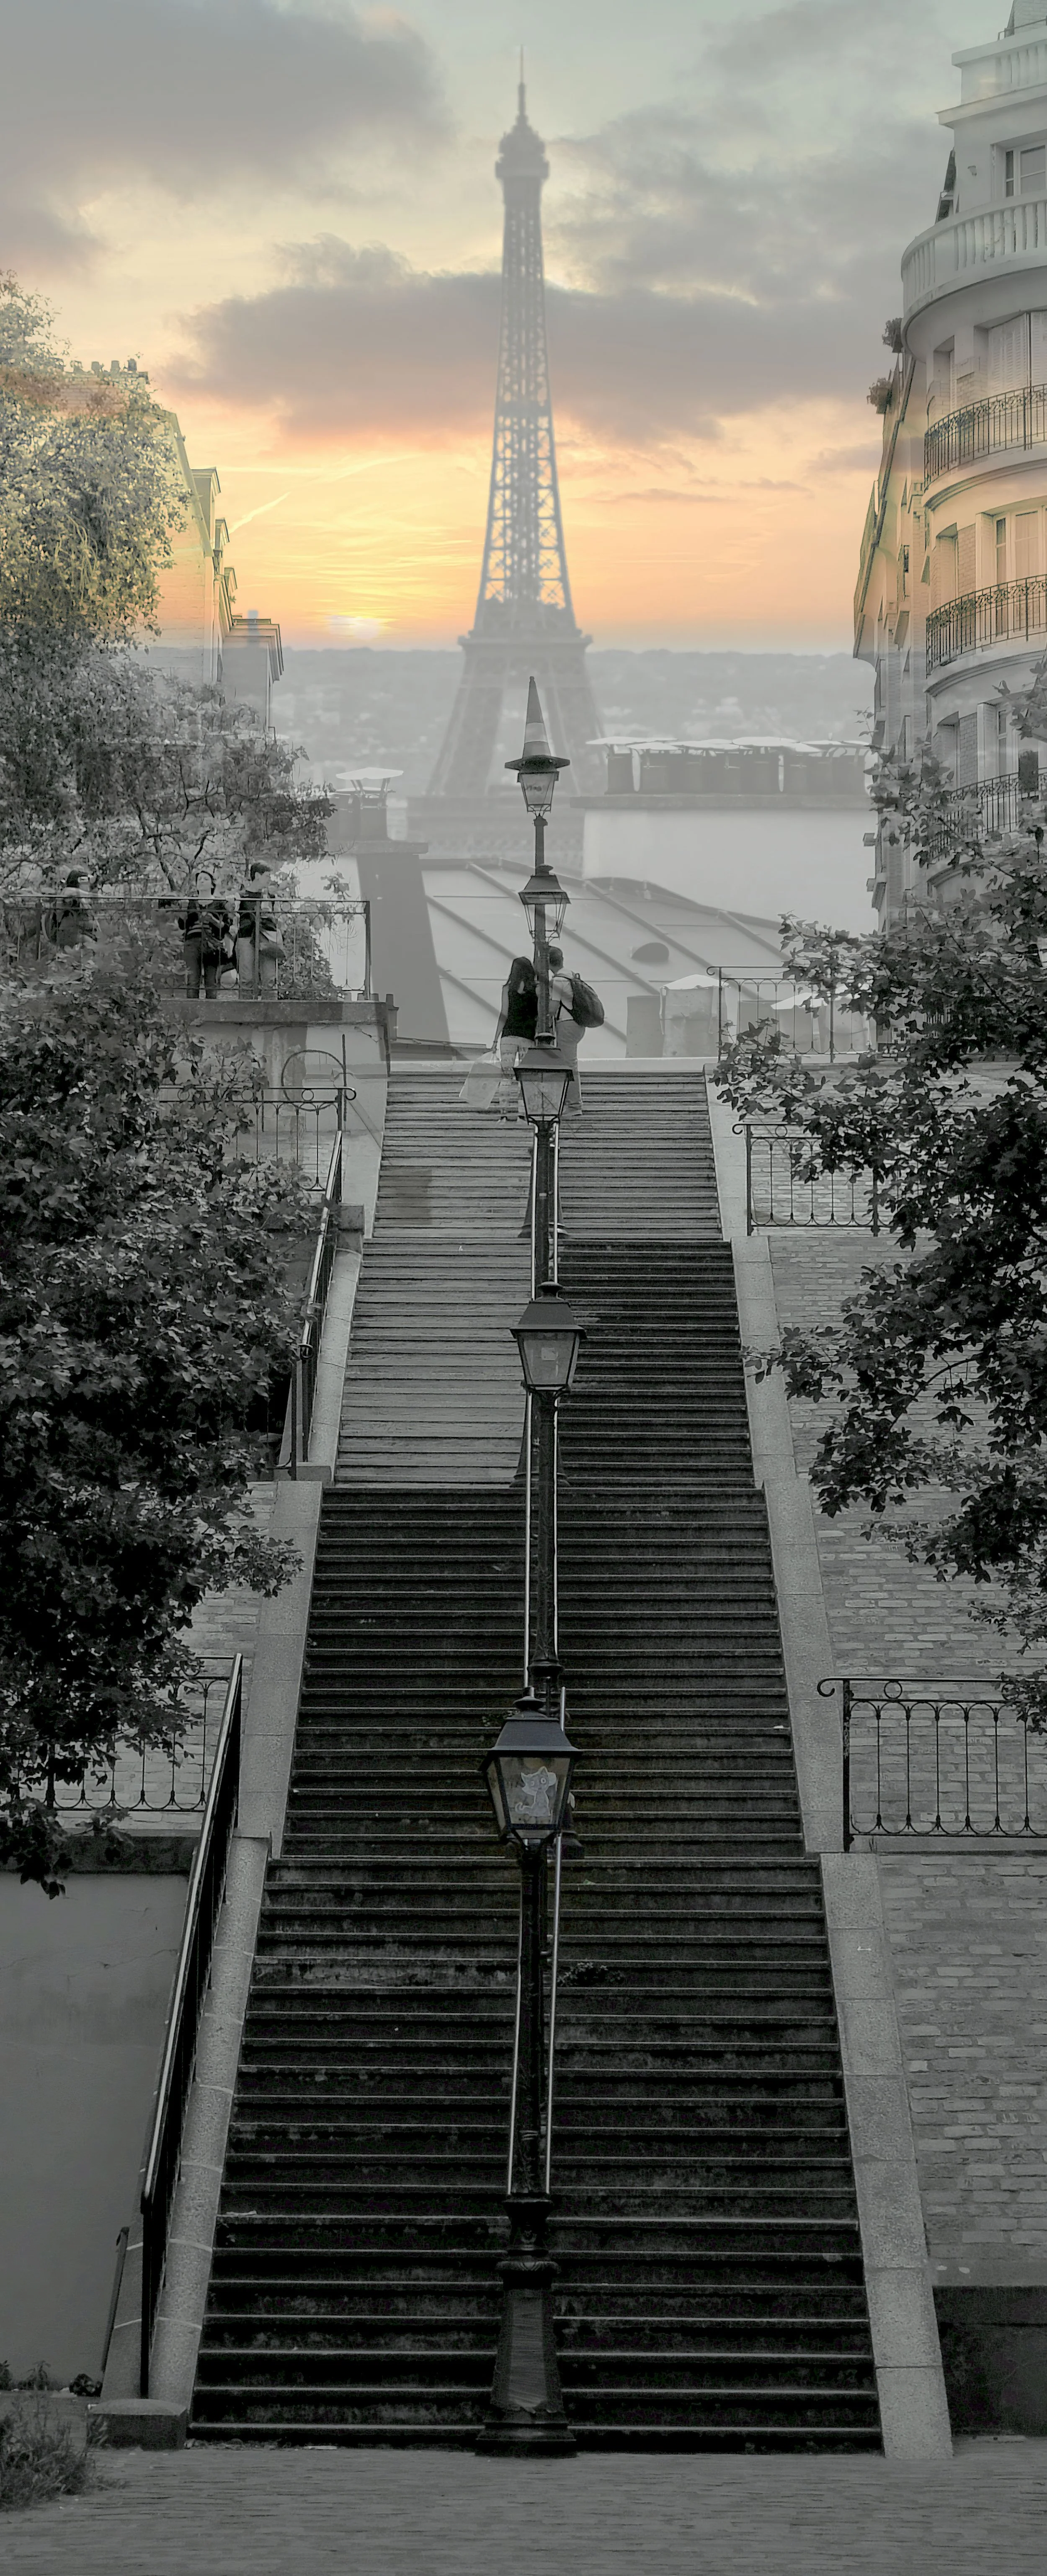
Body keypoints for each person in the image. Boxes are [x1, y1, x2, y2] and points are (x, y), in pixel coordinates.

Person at [493, 954, 538, 1115]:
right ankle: (521, 1115)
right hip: (527, 1037)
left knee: (506, 1077)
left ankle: (504, 1115)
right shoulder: (536, 989)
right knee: (524, 1079)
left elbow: (504, 1014)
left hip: (508, 1037)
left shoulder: (507, 989)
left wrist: (495, 1039)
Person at [547, 943, 585, 1117]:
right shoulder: (572, 975)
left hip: (566, 1024)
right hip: (578, 1024)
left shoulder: (558, 981)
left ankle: (574, 1105)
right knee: (570, 1063)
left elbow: (553, 1008)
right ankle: (570, 1102)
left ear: (548, 963)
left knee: (569, 1065)